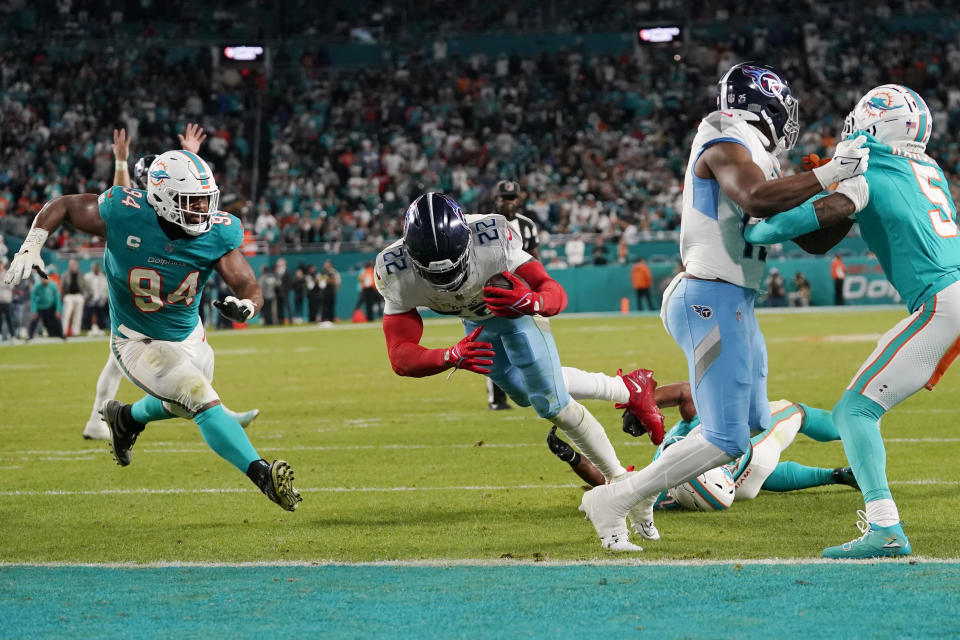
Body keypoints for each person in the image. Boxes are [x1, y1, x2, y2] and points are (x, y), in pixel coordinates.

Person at [578, 62, 871, 551]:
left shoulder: (756, 152)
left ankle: (643, 491)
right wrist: (828, 175)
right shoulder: (724, 133)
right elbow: (755, 198)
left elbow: (814, 243)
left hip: (734, 299)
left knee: (755, 420)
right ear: (764, 102)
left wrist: (848, 198)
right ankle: (616, 498)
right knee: (727, 439)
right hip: (710, 296)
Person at [5, 147, 301, 511]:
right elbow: (64, 204)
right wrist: (31, 246)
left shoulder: (216, 233)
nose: (201, 211)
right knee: (198, 397)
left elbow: (247, 284)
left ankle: (126, 418)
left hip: (190, 337)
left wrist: (248, 306)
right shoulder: (125, 212)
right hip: (137, 338)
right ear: (162, 198)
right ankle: (261, 474)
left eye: (205, 201)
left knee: (183, 404)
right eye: (191, 202)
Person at [746, 84, 960, 558]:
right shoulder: (927, 166)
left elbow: (808, 217)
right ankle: (802, 422)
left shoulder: (870, 163)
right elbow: (826, 237)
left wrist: (761, 225)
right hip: (952, 295)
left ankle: (885, 528)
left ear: (875, 123)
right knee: (857, 408)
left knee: (855, 411)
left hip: (942, 302)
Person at [376, 192, 645, 489]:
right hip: (476, 325)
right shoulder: (394, 270)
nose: (448, 278)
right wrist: (449, 356)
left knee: (550, 404)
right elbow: (400, 356)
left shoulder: (491, 239)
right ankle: (625, 388)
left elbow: (553, 290)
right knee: (521, 393)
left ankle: (620, 481)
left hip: (516, 314)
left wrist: (532, 301)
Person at [81, 126, 259, 441]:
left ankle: (110, 418)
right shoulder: (135, 211)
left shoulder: (173, 203)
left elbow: (189, 187)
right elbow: (119, 203)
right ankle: (100, 419)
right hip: (132, 288)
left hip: (154, 290)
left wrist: (191, 154)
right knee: (118, 361)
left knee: (127, 363)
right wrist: (121, 163)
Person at [549, 378, 858, 532]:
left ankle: (831, 475)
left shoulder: (661, 491)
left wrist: (574, 459)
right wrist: (647, 404)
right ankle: (853, 426)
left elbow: (610, 483)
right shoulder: (700, 429)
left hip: (739, 489)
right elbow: (685, 391)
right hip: (753, 454)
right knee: (797, 413)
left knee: (762, 478)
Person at [487, 180, 541, 411]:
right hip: (494, 290)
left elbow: (535, 258)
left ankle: (532, 391)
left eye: (512, 198)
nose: (508, 202)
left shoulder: (527, 225)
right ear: (496, 199)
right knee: (493, 345)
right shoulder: (485, 224)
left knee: (526, 342)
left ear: (518, 199)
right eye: (503, 198)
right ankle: (497, 399)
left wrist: (537, 287)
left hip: (520, 292)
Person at [28, 274, 64, 340]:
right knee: (34, 320)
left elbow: (57, 299)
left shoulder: (53, 286)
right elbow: (33, 299)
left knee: (57, 319)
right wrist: (34, 311)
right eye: (43, 279)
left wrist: (58, 310)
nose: (44, 280)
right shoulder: (37, 286)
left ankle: (61, 335)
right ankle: (30, 336)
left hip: (51, 306)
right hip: (40, 307)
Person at [60, 258, 87, 337]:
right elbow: (62, 287)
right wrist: (62, 297)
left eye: (74, 264)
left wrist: (83, 295)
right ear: (69, 265)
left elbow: (84, 286)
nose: (73, 266)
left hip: (78, 295)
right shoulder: (65, 274)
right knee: (66, 313)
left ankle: (76, 332)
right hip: (68, 295)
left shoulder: (81, 274)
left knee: (78, 314)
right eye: (71, 265)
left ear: (77, 265)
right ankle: (63, 331)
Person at [84, 262, 109, 335]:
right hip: (90, 299)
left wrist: (104, 298)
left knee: (101, 307)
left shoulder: (103, 277)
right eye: (94, 267)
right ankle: (89, 327)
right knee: (91, 307)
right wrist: (87, 297)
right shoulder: (87, 277)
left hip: (100, 300)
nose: (96, 269)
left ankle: (101, 327)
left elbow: (105, 290)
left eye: (97, 267)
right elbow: (85, 289)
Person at [0, 259, 16, 342]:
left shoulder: (8, 274)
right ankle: (0, 336)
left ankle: (12, 336)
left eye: (1, 264)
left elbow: (11, 286)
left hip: (7, 300)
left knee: (9, 319)